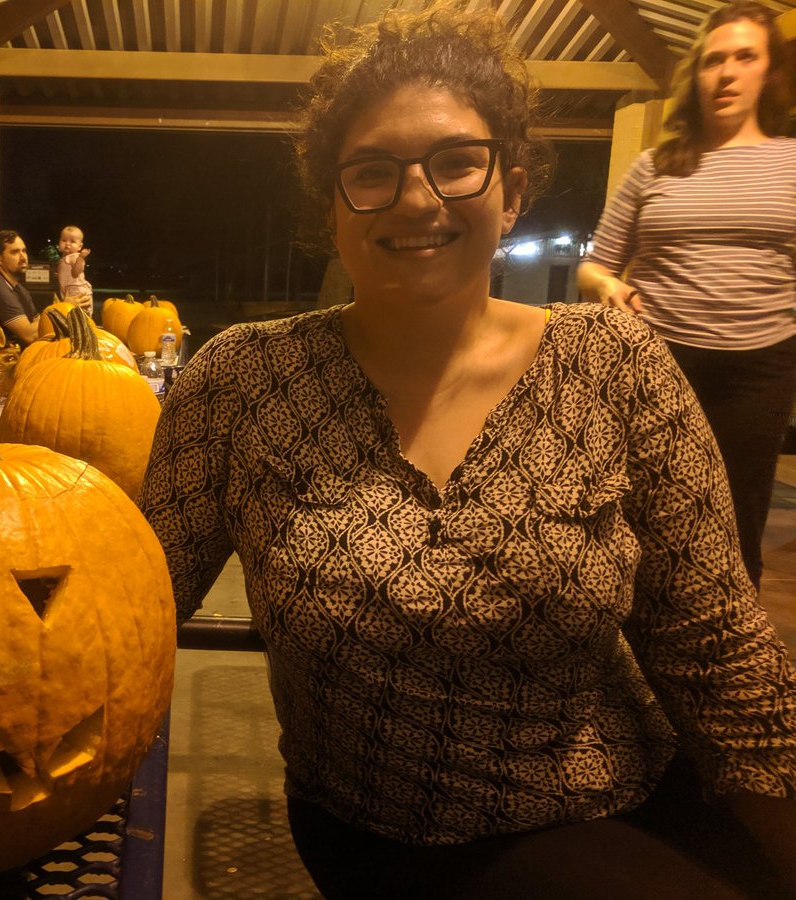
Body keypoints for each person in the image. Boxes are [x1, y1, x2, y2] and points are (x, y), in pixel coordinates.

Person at [138, 4, 796, 897]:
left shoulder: (615, 363)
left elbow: (714, 646)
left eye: (456, 162)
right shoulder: (242, 382)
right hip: (392, 829)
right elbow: (132, 612)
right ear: (332, 209)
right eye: (372, 172)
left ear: (511, 190)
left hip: (629, 787)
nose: (417, 199)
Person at [577, 0, 796, 590]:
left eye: (745, 57)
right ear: (696, 74)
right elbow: (594, 266)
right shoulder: (654, 166)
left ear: (770, 72)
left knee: (738, 517)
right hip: (661, 362)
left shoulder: (792, 164)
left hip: (760, 369)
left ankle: (731, 632)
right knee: (646, 513)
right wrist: (609, 285)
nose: (726, 73)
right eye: (713, 60)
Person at [57, 225, 94, 316]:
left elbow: (76, 272)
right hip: (70, 289)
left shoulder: (75, 257)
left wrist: (81, 258)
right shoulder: (64, 258)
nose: (67, 244)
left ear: (79, 246)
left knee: (78, 315)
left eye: (72, 241)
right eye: (64, 240)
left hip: (76, 290)